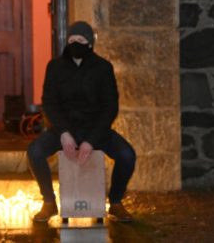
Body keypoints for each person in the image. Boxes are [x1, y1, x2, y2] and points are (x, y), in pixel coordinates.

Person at [27, 21, 136, 223]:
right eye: (72, 40)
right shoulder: (55, 67)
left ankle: (116, 202)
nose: (76, 44)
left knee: (127, 155)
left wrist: (92, 140)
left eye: (81, 40)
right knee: (35, 152)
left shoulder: (103, 68)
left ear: (90, 44)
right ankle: (49, 202)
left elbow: (110, 107)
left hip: (95, 129)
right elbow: (50, 103)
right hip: (64, 129)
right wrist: (63, 133)